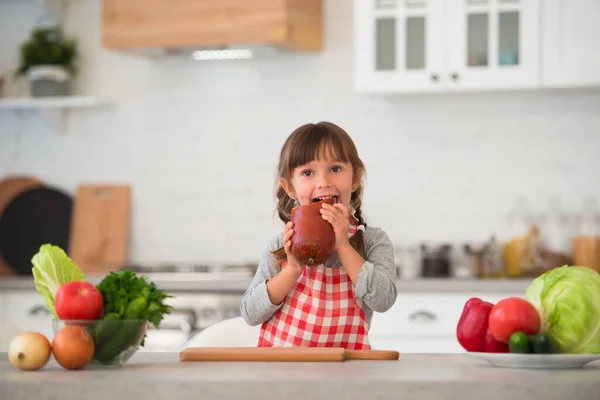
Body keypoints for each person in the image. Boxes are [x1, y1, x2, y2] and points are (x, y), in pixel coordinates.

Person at [240, 121, 397, 350]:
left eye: (335, 169)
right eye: (308, 172)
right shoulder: (281, 245)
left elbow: (383, 300)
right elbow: (250, 313)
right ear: (290, 187)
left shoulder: (372, 241)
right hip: (284, 372)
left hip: (346, 372)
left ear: (355, 179)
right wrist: (292, 269)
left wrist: (343, 246)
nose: (323, 182)